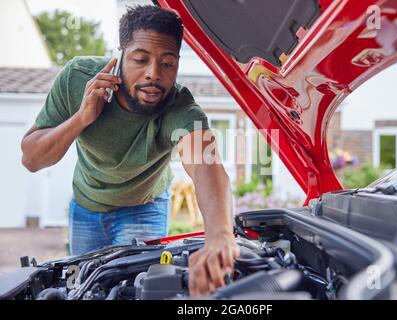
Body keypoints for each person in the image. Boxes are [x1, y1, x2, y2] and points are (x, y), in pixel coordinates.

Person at [20, 4, 239, 296]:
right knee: (85, 288)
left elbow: (205, 167)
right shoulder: (77, 78)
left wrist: (220, 236)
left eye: (167, 63)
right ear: (121, 53)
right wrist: (82, 118)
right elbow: (31, 159)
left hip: (144, 208)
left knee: (133, 290)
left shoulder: (180, 108)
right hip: (86, 207)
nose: (154, 74)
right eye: (140, 59)